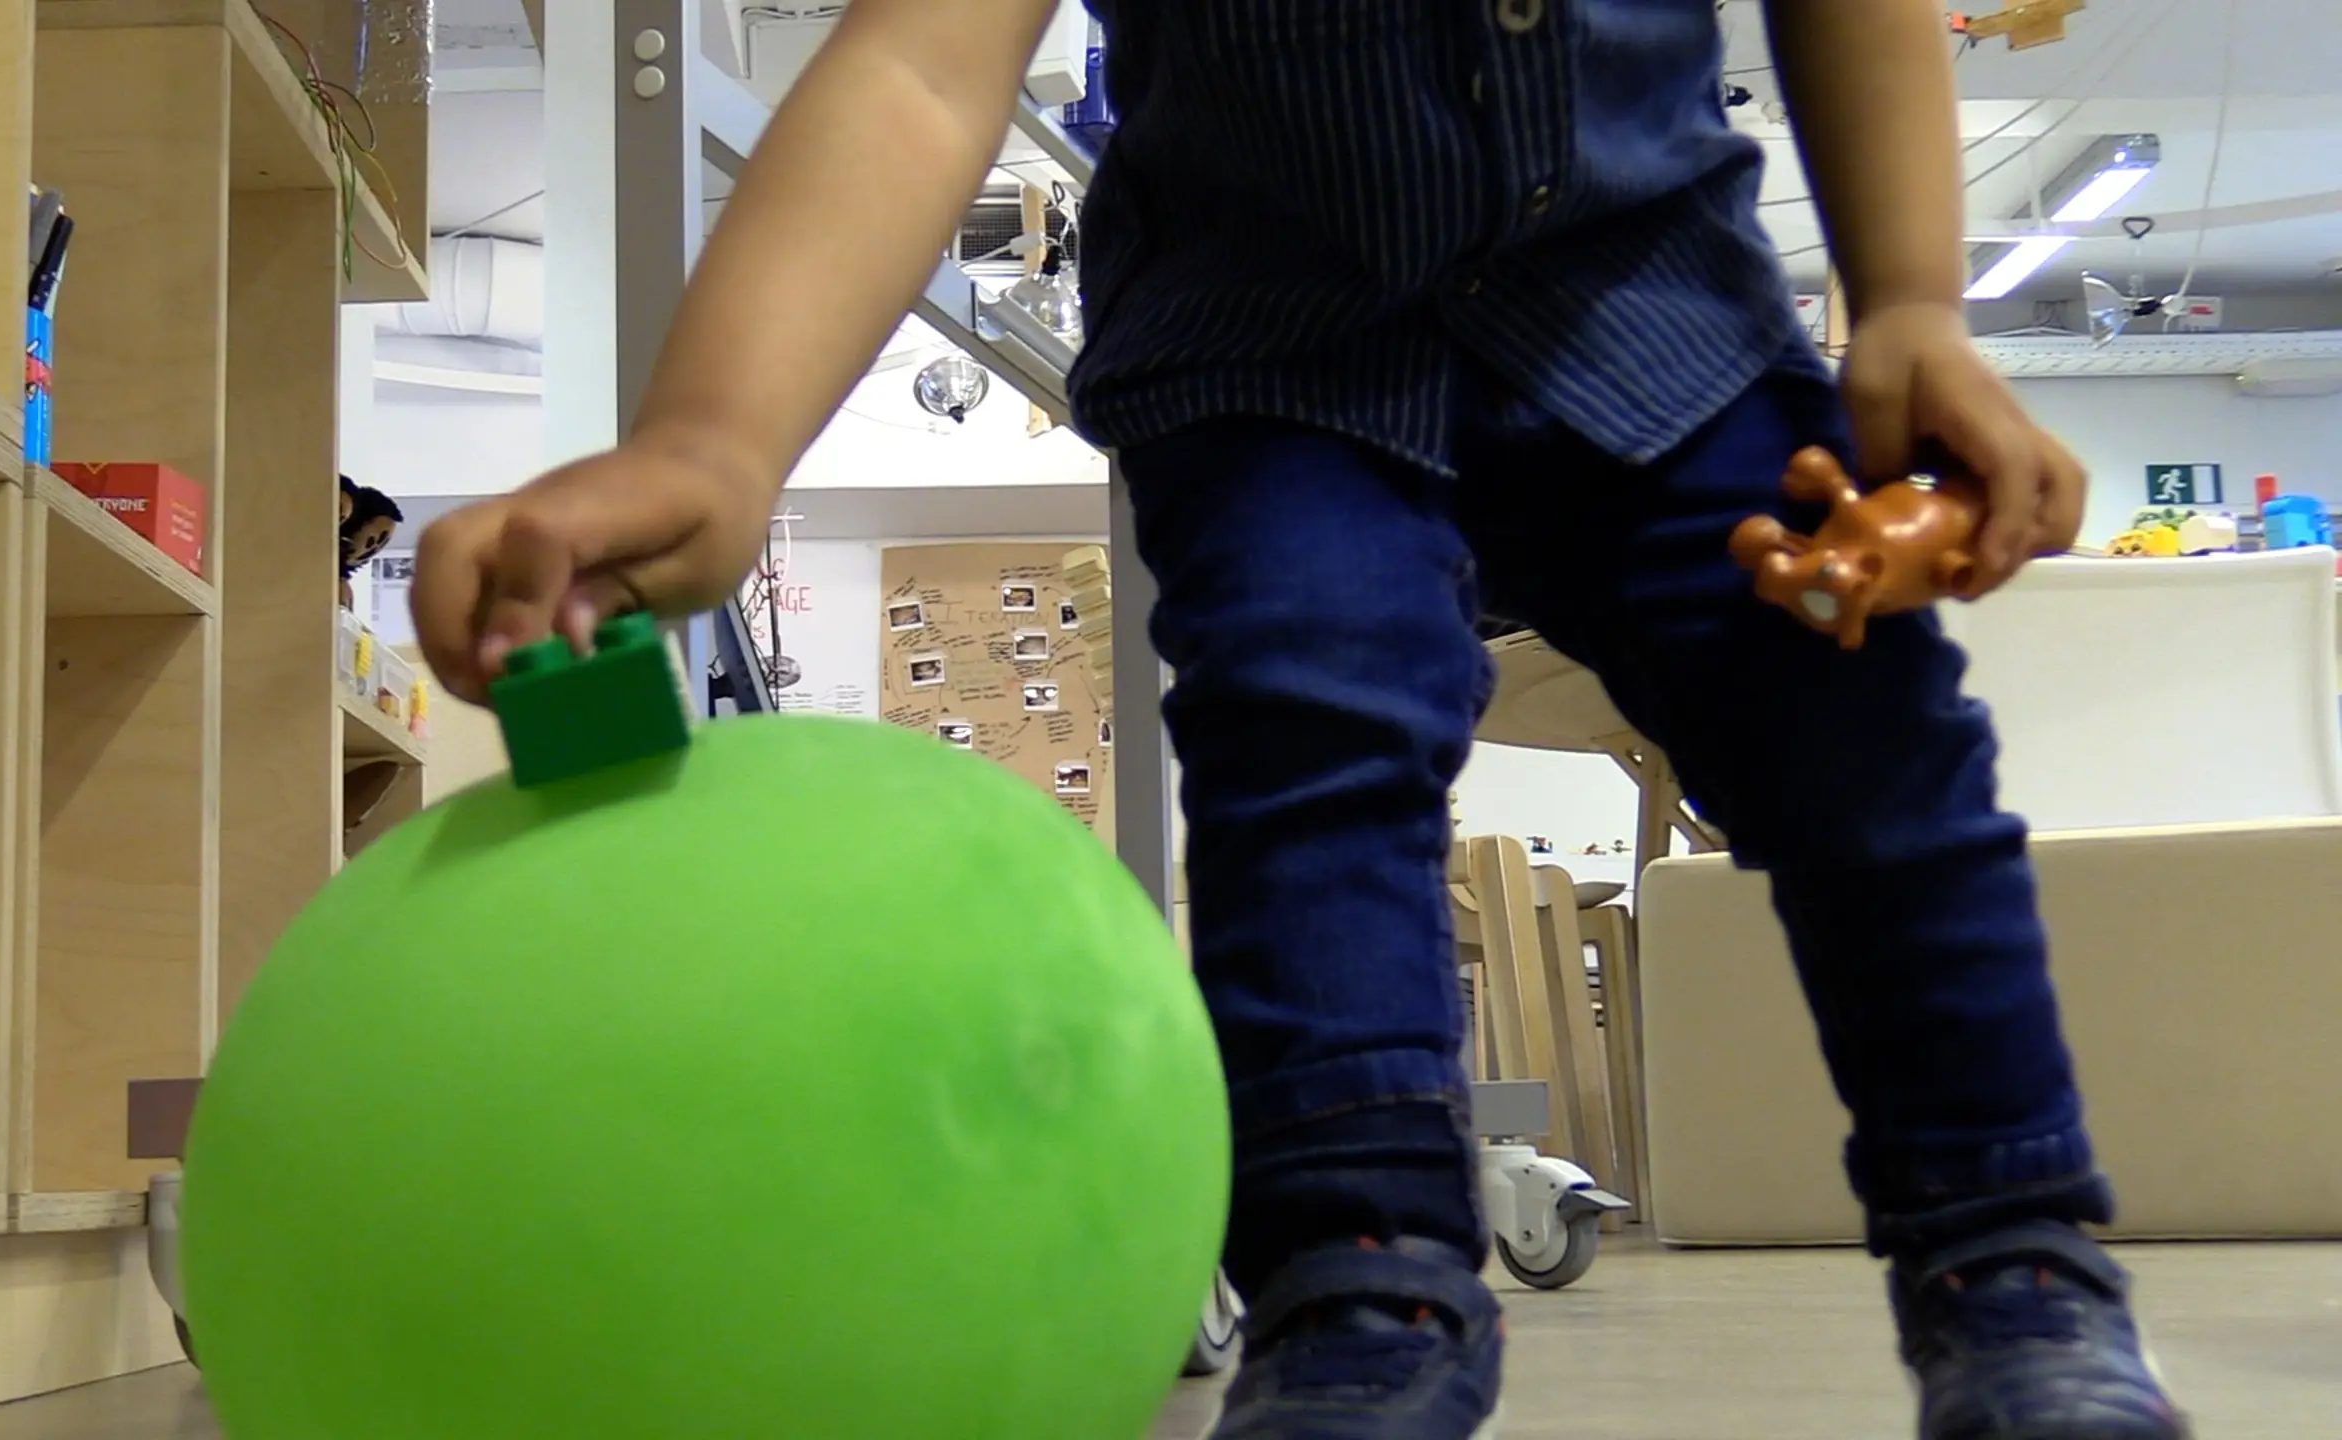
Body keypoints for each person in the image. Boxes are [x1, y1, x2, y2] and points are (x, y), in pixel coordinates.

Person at [410, 2, 2187, 1435]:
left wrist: (1917, 303)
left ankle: (2011, 1255)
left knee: (1869, 740)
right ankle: (1363, 1281)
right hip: (1278, 350)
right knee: (1308, 746)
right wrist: (714, 442)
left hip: (1657, 320)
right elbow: (920, 55)